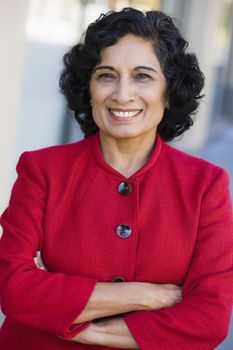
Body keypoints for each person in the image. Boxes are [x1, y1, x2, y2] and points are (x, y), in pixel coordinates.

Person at [0, 7, 233, 350]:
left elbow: (209, 320)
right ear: (89, 86)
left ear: (169, 91)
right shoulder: (42, 170)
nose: (122, 94)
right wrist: (144, 296)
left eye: (143, 76)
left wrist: (76, 322)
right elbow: (13, 288)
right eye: (107, 75)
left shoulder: (205, 185)